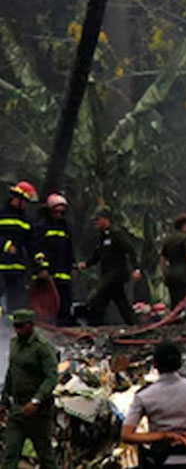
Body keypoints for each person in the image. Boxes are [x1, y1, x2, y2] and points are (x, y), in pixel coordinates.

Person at [1, 309, 57, 468]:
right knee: (10, 453)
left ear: (30, 325)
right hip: (18, 408)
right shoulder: (14, 344)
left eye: (20, 326)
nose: (17, 329)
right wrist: (4, 400)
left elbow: (51, 377)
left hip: (39, 412)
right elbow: (12, 373)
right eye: (15, 326)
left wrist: (36, 400)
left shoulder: (42, 347)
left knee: (45, 455)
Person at [81, 205, 142, 325]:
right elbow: (98, 254)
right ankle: (133, 324)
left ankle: (91, 323)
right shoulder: (103, 236)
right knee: (119, 301)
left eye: (97, 219)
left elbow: (130, 250)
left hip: (116, 274)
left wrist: (136, 268)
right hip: (108, 274)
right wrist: (86, 264)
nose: (96, 223)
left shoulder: (116, 233)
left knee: (98, 296)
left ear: (105, 219)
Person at [31, 193, 74, 325]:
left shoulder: (65, 227)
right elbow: (37, 249)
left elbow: (69, 248)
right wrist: (42, 267)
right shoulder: (42, 226)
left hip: (64, 272)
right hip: (49, 273)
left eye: (62, 212)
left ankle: (64, 326)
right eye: (56, 211)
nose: (59, 215)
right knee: (48, 303)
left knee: (65, 300)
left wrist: (73, 265)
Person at [0, 182, 36, 313]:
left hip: (17, 268)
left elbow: (31, 244)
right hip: (1, 265)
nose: (25, 205)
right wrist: (6, 245)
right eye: (24, 201)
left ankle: (10, 328)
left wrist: (38, 260)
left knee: (15, 302)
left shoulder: (27, 220)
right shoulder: (1, 213)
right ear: (17, 198)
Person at [159, 213, 186, 311]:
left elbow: (163, 257)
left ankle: (174, 321)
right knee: (185, 300)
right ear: (184, 225)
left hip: (171, 273)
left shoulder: (169, 239)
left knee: (174, 301)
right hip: (184, 274)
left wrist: (164, 273)